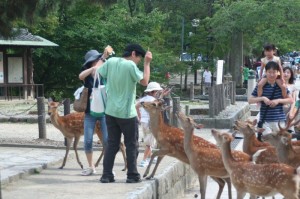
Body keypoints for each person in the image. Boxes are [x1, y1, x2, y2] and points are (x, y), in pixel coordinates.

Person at [98, 44, 152, 183]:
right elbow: (145, 82)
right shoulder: (130, 66)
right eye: (139, 57)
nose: (139, 60)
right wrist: (147, 63)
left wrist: (104, 56)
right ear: (134, 54)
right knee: (131, 144)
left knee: (112, 144)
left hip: (110, 111)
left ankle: (106, 175)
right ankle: (132, 175)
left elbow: (99, 70)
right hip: (127, 113)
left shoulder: (111, 61)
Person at [78, 47, 111, 176]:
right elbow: (80, 76)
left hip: (104, 112)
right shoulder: (87, 74)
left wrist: (102, 60)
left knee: (107, 140)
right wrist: (93, 68)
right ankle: (91, 166)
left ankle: (107, 167)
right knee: (87, 140)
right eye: (96, 60)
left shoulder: (104, 72)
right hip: (89, 112)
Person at [249, 61, 293, 139]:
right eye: (269, 72)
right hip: (265, 121)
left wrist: (278, 101)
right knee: (268, 144)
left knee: (279, 146)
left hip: (279, 122)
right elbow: (250, 100)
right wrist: (263, 98)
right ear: (266, 72)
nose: (272, 75)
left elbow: (290, 100)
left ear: (278, 72)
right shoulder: (261, 86)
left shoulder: (282, 85)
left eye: (274, 72)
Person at [136, 82, 162, 167]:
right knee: (150, 141)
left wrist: (139, 116)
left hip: (143, 121)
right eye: (157, 92)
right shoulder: (153, 101)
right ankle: (144, 160)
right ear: (154, 91)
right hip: (150, 122)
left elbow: (136, 106)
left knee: (147, 139)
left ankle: (150, 156)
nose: (158, 93)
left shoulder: (143, 99)